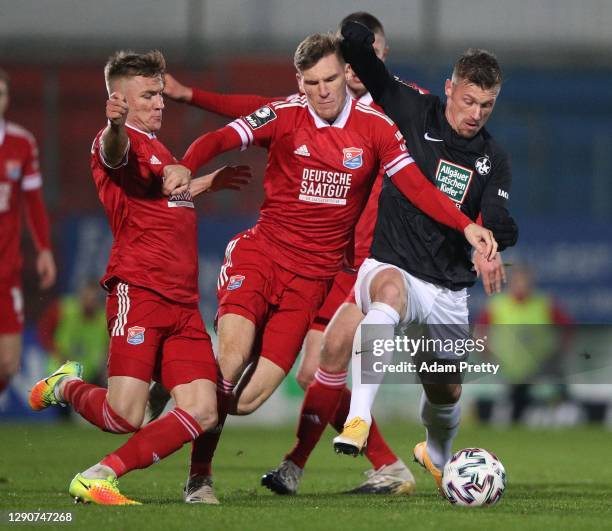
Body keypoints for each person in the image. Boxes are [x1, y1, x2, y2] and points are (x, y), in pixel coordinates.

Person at [163, 32, 495, 504]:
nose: (325, 89)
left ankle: (179, 383)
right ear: (301, 82)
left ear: (354, 70)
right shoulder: (287, 112)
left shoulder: (387, 119)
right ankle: (201, 479)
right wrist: (185, 161)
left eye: (334, 77)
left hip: (322, 276)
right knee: (230, 363)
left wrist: (468, 228)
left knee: (247, 399)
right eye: (314, 82)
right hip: (264, 255)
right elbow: (227, 130)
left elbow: (425, 186)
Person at [28, 50, 249, 506]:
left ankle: (99, 474)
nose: (159, 103)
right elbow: (115, 153)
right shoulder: (115, 141)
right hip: (141, 292)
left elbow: (165, 195)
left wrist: (208, 182)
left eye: (161, 94)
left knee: (205, 409)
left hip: (183, 306)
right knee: (125, 414)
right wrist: (113, 125)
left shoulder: (162, 149)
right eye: (148, 95)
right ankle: (65, 384)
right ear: (120, 100)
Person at [333, 21, 518, 491]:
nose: (475, 114)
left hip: (449, 289)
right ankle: (358, 418)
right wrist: (354, 31)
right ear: (449, 89)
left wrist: (491, 242)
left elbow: (498, 217)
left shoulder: (493, 157)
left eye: (487, 105)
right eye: (468, 101)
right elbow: (367, 65)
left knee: (445, 388)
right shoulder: (413, 110)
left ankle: (437, 455)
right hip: (392, 261)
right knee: (387, 296)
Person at [0, 68, 56, 396]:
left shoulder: (22, 144)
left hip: (7, 268)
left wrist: (44, 249)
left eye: (2, 94)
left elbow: (33, 203)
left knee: (9, 363)